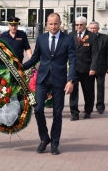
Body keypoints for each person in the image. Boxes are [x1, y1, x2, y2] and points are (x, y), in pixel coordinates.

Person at [23, 13, 76, 155]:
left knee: (57, 113)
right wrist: (20, 68)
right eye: (51, 24)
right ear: (47, 24)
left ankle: (55, 143)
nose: (53, 26)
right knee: (38, 109)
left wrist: (71, 80)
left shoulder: (68, 40)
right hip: (43, 79)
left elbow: (72, 61)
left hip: (59, 80)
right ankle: (44, 138)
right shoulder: (41, 38)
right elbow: (34, 59)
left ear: (60, 24)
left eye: (56, 24)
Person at [69, 16, 98, 121]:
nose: (79, 26)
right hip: (73, 68)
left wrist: (93, 67)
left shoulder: (92, 36)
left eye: (81, 24)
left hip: (87, 68)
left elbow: (95, 54)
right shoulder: (71, 35)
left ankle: (88, 110)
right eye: (77, 25)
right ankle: (74, 113)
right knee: (73, 91)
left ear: (85, 25)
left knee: (88, 91)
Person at [88, 21, 108, 114]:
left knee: (100, 87)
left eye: (94, 28)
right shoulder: (86, 38)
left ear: (98, 28)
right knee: (89, 88)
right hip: (89, 67)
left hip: (101, 66)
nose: (93, 30)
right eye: (91, 28)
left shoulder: (105, 38)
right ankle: (89, 106)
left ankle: (100, 106)